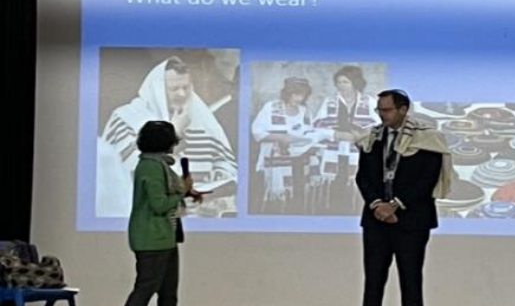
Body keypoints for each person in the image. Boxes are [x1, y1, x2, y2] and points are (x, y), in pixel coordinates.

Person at [352, 89, 452, 306]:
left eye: (386, 110)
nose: (381, 114)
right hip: (376, 221)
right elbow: (363, 177)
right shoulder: (373, 137)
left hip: (412, 221)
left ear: (403, 109)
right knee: (373, 281)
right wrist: (377, 205)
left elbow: (426, 180)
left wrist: (395, 204)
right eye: (379, 110)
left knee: (411, 281)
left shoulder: (426, 137)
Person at [97, 56, 237, 218]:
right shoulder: (127, 118)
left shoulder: (200, 118)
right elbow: (137, 172)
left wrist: (221, 172)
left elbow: (224, 160)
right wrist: (174, 133)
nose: (182, 94)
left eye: (186, 87)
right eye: (174, 88)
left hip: (200, 217)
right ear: (157, 90)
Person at [117, 121, 206, 306]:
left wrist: (187, 191)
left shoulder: (160, 166)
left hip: (165, 238)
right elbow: (159, 204)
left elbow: (166, 196)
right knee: (145, 290)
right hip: (152, 239)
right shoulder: (151, 167)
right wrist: (181, 191)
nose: (174, 144)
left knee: (168, 293)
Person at [312, 66, 379, 213]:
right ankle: (332, 213)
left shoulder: (369, 101)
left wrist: (360, 135)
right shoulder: (329, 102)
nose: (340, 85)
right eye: (338, 82)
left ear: (355, 82)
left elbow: (381, 126)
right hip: (334, 152)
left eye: (345, 82)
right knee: (335, 186)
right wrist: (336, 134)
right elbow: (316, 126)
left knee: (358, 185)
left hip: (359, 153)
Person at [251, 77, 320, 213]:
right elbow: (257, 132)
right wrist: (280, 137)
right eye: (294, 94)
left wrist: (309, 140)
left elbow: (310, 134)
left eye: (302, 95)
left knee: (298, 194)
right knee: (278, 198)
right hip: (278, 159)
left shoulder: (305, 111)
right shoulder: (271, 107)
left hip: (300, 160)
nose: (298, 98)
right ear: (287, 93)